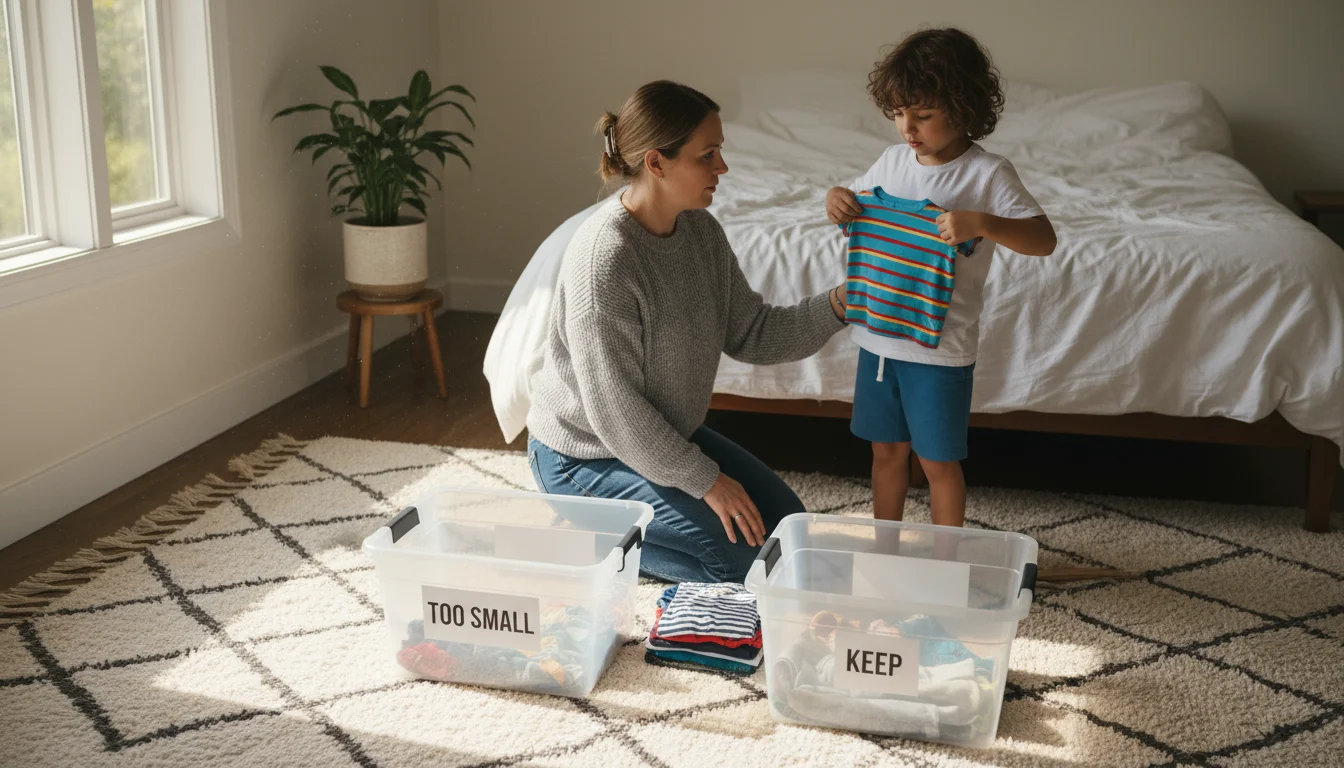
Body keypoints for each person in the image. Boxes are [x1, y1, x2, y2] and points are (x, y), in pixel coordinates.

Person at [527, 81, 849, 583]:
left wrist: (837, 305)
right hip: (582, 457)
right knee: (750, 568)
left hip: (662, 436)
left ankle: (628, 534)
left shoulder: (701, 231)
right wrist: (707, 481)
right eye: (708, 155)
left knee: (788, 528)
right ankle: (597, 548)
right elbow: (616, 413)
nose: (722, 168)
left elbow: (752, 332)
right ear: (657, 163)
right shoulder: (605, 260)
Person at [825, 28, 1057, 529]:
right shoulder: (890, 163)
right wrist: (835, 199)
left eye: (923, 115)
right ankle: (885, 545)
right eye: (898, 114)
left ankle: (945, 563)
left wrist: (984, 222)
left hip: (940, 349)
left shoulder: (988, 175)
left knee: (937, 464)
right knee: (885, 452)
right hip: (878, 338)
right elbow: (853, 204)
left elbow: (1044, 239)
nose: (907, 127)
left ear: (963, 106)